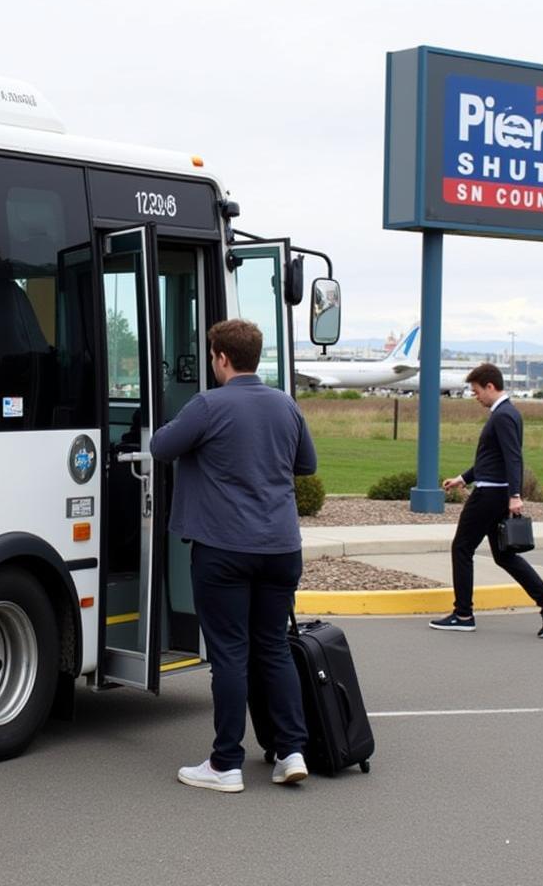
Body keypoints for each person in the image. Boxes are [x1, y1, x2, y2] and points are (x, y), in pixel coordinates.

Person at [150, 318, 317, 792]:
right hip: (282, 548)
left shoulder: (208, 404)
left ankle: (225, 764)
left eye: (211, 354)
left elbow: (161, 446)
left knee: (229, 656)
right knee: (273, 649)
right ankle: (290, 751)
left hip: (224, 549)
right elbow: (306, 464)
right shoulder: (286, 405)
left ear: (221, 357)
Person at [429, 362, 543, 638]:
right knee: (504, 555)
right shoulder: (506, 412)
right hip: (495, 491)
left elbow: (512, 457)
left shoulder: (503, 416)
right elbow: (492, 458)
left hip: (491, 494)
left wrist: (516, 496)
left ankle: (463, 614)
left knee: (462, 548)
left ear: (490, 386)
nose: (475, 396)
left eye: (477, 390)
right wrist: (463, 478)